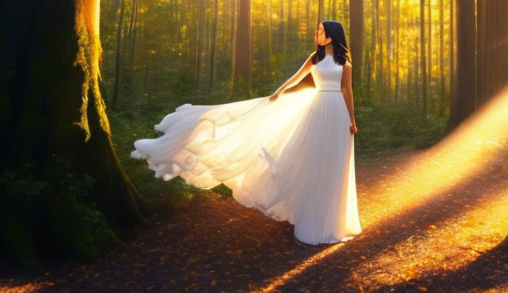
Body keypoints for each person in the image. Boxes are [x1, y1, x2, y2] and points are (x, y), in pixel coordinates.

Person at [131, 20, 362, 245]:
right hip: (316, 111)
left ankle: (335, 222)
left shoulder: (345, 64)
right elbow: (296, 77)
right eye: (318, 30)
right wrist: (278, 92)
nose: (318, 33)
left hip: (337, 114)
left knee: (335, 164)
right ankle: (313, 220)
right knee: (313, 162)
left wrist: (351, 120)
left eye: (321, 31)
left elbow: (347, 91)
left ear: (331, 35)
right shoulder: (315, 59)